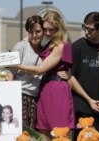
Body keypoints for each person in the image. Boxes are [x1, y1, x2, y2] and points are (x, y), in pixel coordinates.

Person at [14, 10, 75, 138]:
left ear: (58, 28)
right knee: (43, 131)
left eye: (51, 29)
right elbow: (31, 38)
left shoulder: (60, 46)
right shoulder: (48, 43)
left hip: (57, 90)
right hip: (44, 89)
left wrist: (17, 65)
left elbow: (40, 69)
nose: (47, 33)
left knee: (59, 132)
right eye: (45, 29)